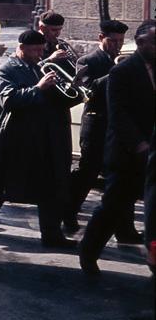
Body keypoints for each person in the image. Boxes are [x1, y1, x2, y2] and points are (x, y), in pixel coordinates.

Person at [0, 30, 82, 248]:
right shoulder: (6, 70)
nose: (39, 54)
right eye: (35, 50)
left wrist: (73, 91)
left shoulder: (37, 67)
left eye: (41, 50)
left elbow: (55, 99)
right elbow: (9, 100)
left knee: (51, 185)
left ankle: (52, 235)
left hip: (44, 136)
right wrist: (38, 88)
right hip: (15, 137)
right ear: (21, 48)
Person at [79, 21, 155, 275]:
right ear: (141, 43)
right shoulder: (123, 71)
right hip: (127, 153)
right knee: (113, 207)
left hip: (152, 153)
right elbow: (119, 115)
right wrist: (140, 145)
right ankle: (88, 251)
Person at [66, 19, 129, 234]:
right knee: (88, 173)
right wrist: (115, 72)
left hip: (116, 126)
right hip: (96, 122)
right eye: (113, 41)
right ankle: (68, 212)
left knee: (121, 176)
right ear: (101, 38)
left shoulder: (122, 61)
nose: (117, 45)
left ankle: (124, 229)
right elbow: (88, 90)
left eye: (121, 41)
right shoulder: (87, 61)